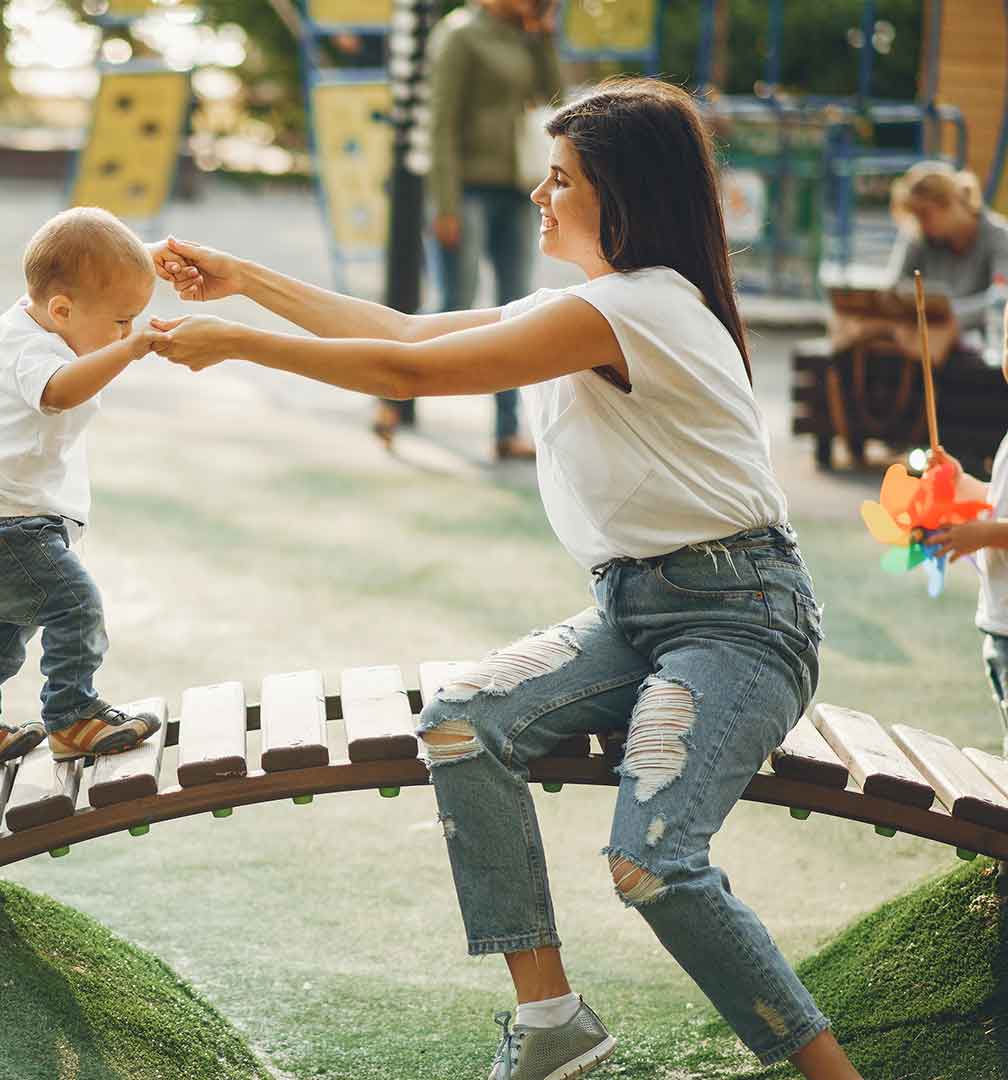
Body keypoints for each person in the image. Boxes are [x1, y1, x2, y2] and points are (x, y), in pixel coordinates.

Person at [149, 78, 862, 1080]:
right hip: (639, 614)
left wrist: (238, 345)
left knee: (653, 864)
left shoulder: (636, 308)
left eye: (561, 178)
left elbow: (409, 379)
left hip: (740, 620)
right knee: (459, 723)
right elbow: (400, 333)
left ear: (626, 195)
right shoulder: (589, 306)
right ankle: (552, 1021)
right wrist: (240, 279)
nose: (540, 193)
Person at [0, 208, 167, 778]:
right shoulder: (29, 351)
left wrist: (136, 263)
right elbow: (58, 393)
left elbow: (82, 276)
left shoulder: (38, 316)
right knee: (75, 604)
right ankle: (72, 715)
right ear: (61, 310)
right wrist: (131, 353)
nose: (126, 333)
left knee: (4, 628)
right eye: (120, 321)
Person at [380, 0, 562, 461]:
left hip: (519, 186)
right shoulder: (460, 34)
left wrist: (542, 37)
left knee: (519, 312)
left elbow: (555, 101)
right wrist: (444, 203)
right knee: (453, 303)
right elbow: (440, 123)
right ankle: (390, 397)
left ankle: (507, 430)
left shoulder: (524, 34)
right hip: (467, 192)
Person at [927, 333, 1008, 756]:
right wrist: (960, 482)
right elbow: (996, 506)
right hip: (998, 623)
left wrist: (984, 534)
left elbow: (997, 526)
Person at [886, 161, 1008, 332]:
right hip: (923, 332)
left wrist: (947, 314)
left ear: (951, 203)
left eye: (925, 214)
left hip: (976, 339)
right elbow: (894, 287)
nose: (920, 224)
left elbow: (1002, 298)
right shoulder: (920, 234)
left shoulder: (998, 237)